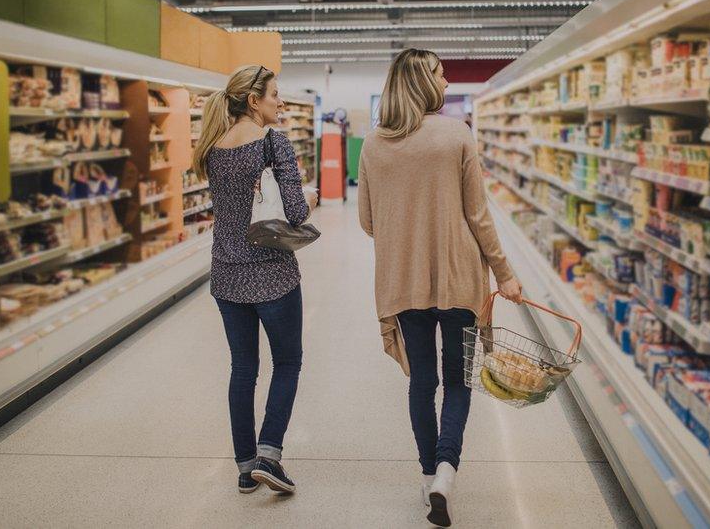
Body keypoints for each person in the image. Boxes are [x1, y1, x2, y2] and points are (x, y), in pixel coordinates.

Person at [357, 49, 522, 528]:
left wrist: (406, 223)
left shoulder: (372, 144)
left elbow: (368, 222)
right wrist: (505, 272)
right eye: (441, 75)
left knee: (421, 381)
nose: (447, 82)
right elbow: (478, 216)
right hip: (459, 278)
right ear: (423, 83)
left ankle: (428, 471)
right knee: (457, 380)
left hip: (403, 280)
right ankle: (447, 472)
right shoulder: (456, 135)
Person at [194, 64, 316, 496]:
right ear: (253, 101)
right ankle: (270, 455)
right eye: (274, 95)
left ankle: (246, 468)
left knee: (243, 368)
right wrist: (313, 197)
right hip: (271, 276)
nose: (281, 103)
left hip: (226, 276)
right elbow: (296, 213)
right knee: (288, 363)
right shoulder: (273, 142)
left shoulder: (212, 148)